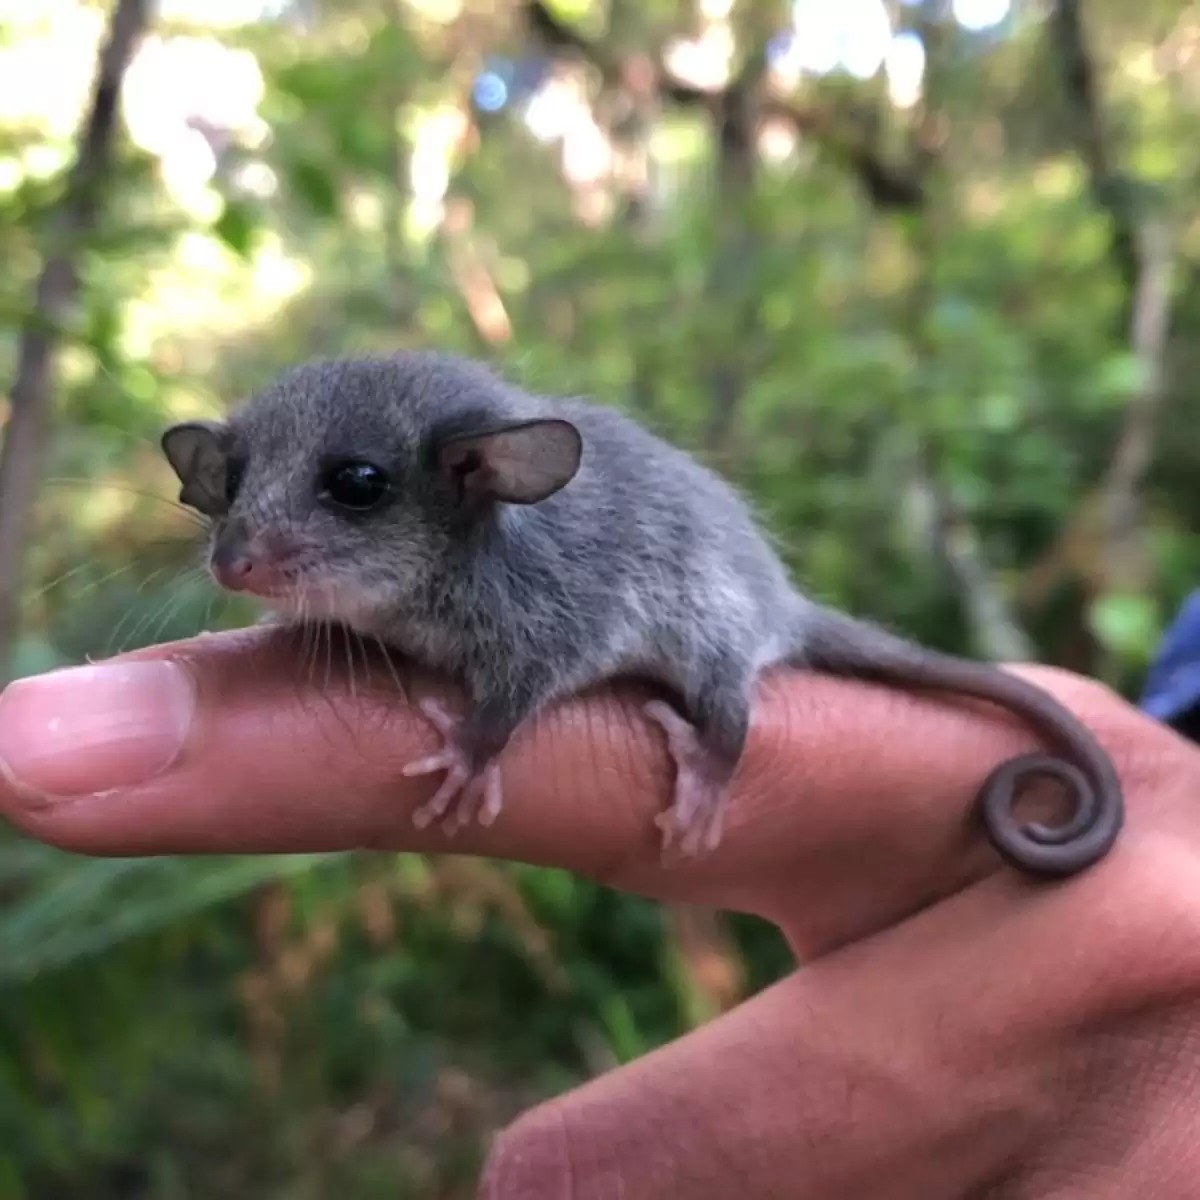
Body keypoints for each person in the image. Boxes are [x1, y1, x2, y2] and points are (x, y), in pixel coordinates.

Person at [0, 625, 1197, 1197]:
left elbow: (545, 644)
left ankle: (708, 744)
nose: (248, 555)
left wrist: (481, 746)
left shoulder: (501, 559)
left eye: (352, 493)